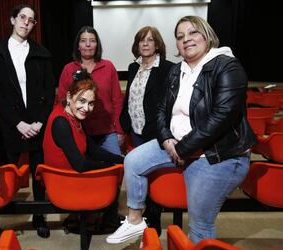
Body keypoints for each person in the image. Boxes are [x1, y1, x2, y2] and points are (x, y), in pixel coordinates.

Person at [107, 15, 256, 244]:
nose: (186, 39)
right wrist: (166, 139)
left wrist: (184, 148)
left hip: (215, 154)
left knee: (199, 224)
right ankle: (135, 220)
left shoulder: (227, 65)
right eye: (180, 36)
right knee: (133, 161)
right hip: (177, 145)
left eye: (193, 33)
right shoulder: (177, 70)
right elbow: (160, 109)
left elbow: (221, 117)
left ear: (207, 35)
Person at [0, 4, 55, 238]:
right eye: (22, 17)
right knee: (4, 173)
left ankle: (39, 216)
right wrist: (17, 123)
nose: (26, 22)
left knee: (39, 173)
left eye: (31, 20)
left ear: (34, 25)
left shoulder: (41, 53)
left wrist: (39, 123)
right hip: (10, 123)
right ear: (13, 20)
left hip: (36, 124)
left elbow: (49, 91)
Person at [43, 69, 124, 232]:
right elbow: (80, 165)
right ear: (68, 97)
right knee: (113, 175)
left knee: (116, 168)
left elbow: (92, 149)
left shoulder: (73, 118)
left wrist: (120, 159)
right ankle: (104, 220)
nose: (86, 108)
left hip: (71, 179)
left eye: (91, 103)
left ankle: (99, 219)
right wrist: (110, 167)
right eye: (82, 101)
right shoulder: (61, 122)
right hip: (65, 184)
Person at [119, 26, 175, 235]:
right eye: (141, 40)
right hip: (136, 130)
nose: (145, 44)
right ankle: (139, 218)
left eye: (150, 40)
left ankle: (154, 219)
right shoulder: (133, 68)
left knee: (153, 175)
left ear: (157, 44)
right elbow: (130, 99)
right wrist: (124, 125)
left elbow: (169, 103)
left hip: (155, 132)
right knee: (139, 173)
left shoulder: (168, 68)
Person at [58, 26, 124, 156]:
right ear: (78, 45)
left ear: (97, 45)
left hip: (107, 131)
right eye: (83, 40)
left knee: (116, 168)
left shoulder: (108, 66)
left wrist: (120, 131)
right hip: (78, 131)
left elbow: (117, 101)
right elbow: (62, 102)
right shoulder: (68, 69)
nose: (88, 44)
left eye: (92, 40)